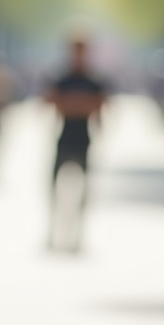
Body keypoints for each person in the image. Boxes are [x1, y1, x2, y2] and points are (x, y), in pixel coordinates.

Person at [45, 37, 108, 252]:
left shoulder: (94, 80)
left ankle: (78, 234)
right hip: (64, 138)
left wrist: (71, 104)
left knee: (84, 190)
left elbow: (100, 107)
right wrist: (83, 105)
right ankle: (54, 231)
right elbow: (51, 103)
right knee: (54, 188)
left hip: (84, 140)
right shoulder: (61, 78)